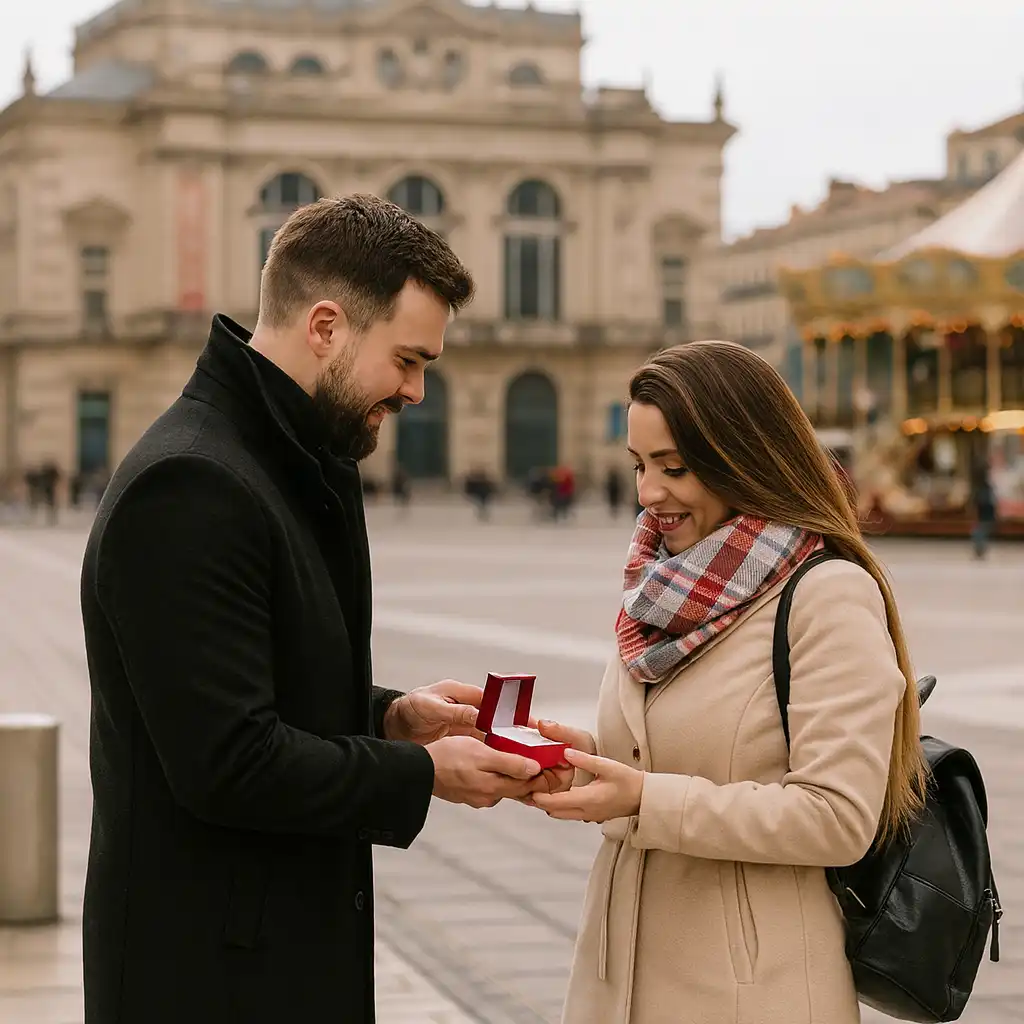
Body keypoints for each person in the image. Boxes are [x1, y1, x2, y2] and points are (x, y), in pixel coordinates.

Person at [79, 194, 557, 1024]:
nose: (416, 391)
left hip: (267, 954)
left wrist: (392, 719)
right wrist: (425, 775)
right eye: (407, 360)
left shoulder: (287, 458)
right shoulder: (191, 483)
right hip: (207, 978)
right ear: (326, 327)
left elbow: (250, 686)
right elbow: (228, 761)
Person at [529, 340, 928, 1024]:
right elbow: (673, 755)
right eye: (639, 465)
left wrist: (645, 800)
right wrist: (589, 763)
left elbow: (837, 819)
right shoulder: (658, 591)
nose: (648, 493)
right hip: (617, 980)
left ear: (742, 456)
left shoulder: (827, 594)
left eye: (674, 468)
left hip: (751, 992)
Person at [969, 462, 997, 559]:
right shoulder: (985, 487)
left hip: (984, 512)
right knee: (981, 530)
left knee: (980, 530)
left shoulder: (980, 487)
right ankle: (979, 550)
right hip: (985, 512)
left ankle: (979, 550)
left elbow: (979, 502)